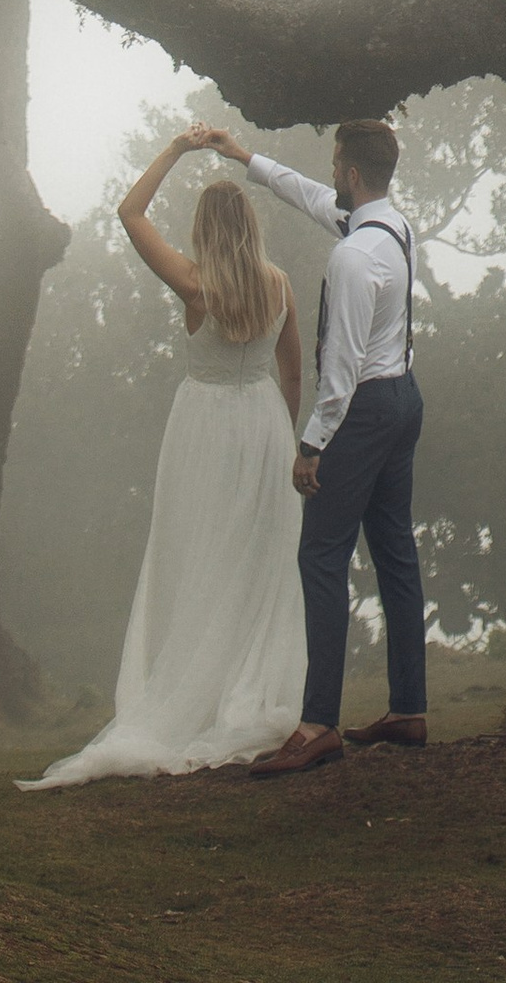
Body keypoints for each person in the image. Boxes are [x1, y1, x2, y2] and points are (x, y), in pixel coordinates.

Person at [19, 128, 307, 785]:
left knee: (194, 555)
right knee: (253, 563)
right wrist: (283, 443)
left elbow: (129, 213)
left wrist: (176, 150)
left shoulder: (193, 282)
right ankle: (239, 690)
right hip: (262, 423)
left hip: (200, 426)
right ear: (251, 227)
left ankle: (187, 693)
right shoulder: (281, 286)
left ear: (204, 229)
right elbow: (293, 375)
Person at [201, 116, 426, 776]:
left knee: (321, 557)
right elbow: (307, 195)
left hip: (364, 410)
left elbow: (342, 369)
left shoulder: (353, 256)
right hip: (404, 399)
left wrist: (310, 446)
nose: (329, 176)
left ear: (352, 174)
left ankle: (317, 724)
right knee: (395, 554)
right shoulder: (392, 228)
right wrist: (244, 156)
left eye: (334, 166)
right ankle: (409, 709)